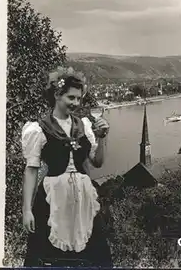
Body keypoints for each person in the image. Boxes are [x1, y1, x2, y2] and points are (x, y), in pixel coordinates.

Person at [21, 67, 112, 267]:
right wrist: (27, 209)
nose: (76, 103)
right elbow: (31, 169)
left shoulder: (85, 126)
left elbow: (97, 162)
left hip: (83, 198)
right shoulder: (39, 129)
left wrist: (102, 138)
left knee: (95, 253)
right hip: (52, 198)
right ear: (56, 95)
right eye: (71, 98)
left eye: (79, 99)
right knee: (48, 253)